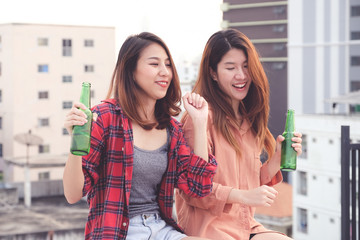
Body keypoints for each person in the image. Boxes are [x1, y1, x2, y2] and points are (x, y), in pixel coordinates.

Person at [63, 32, 217, 240]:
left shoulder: (172, 128)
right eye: (154, 64)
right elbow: (73, 194)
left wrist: (200, 122)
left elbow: (199, 188)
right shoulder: (104, 118)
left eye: (168, 64)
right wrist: (75, 144)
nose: (165, 72)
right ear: (131, 70)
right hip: (118, 231)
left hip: (160, 227)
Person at [175, 29, 302, 240]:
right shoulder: (199, 119)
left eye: (245, 66)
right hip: (209, 230)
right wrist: (245, 196)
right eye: (230, 67)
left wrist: (277, 158)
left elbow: (249, 184)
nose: (241, 75)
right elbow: (194, 191)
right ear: (213, 73)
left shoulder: (248, 119)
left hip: (245, 226)